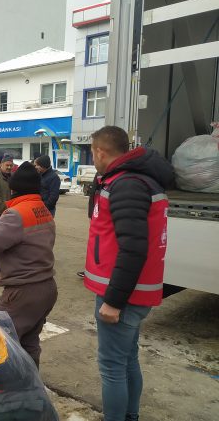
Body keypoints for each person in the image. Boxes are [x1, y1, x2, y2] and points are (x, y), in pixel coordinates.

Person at [84, 126, 174, 421]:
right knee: (127, 360)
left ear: (100, 151)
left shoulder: (127, 184)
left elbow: (133, 248)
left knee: (112, 367)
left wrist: (114, 301)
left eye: (93, 152)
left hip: (122, 294)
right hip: (132, 291)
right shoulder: (130, 180)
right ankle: (130, 417)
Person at [0, 161, 57, 368]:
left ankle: (8, 390)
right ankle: (31, 387)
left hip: (23, 292)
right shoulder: (42, 209)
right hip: (46, 287)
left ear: (14, 188)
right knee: (29, 342)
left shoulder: (17, 214)